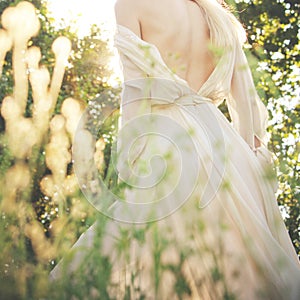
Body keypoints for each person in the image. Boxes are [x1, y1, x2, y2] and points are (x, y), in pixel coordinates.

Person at [50, 0, 300, 299]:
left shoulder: (131, 5)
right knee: (239, 262)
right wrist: (248, 159)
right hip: (224, 142)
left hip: (166, 141)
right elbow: (245, 99)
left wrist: (130, 157)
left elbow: (135, 88)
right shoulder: (217, 17)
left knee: (149, 253)